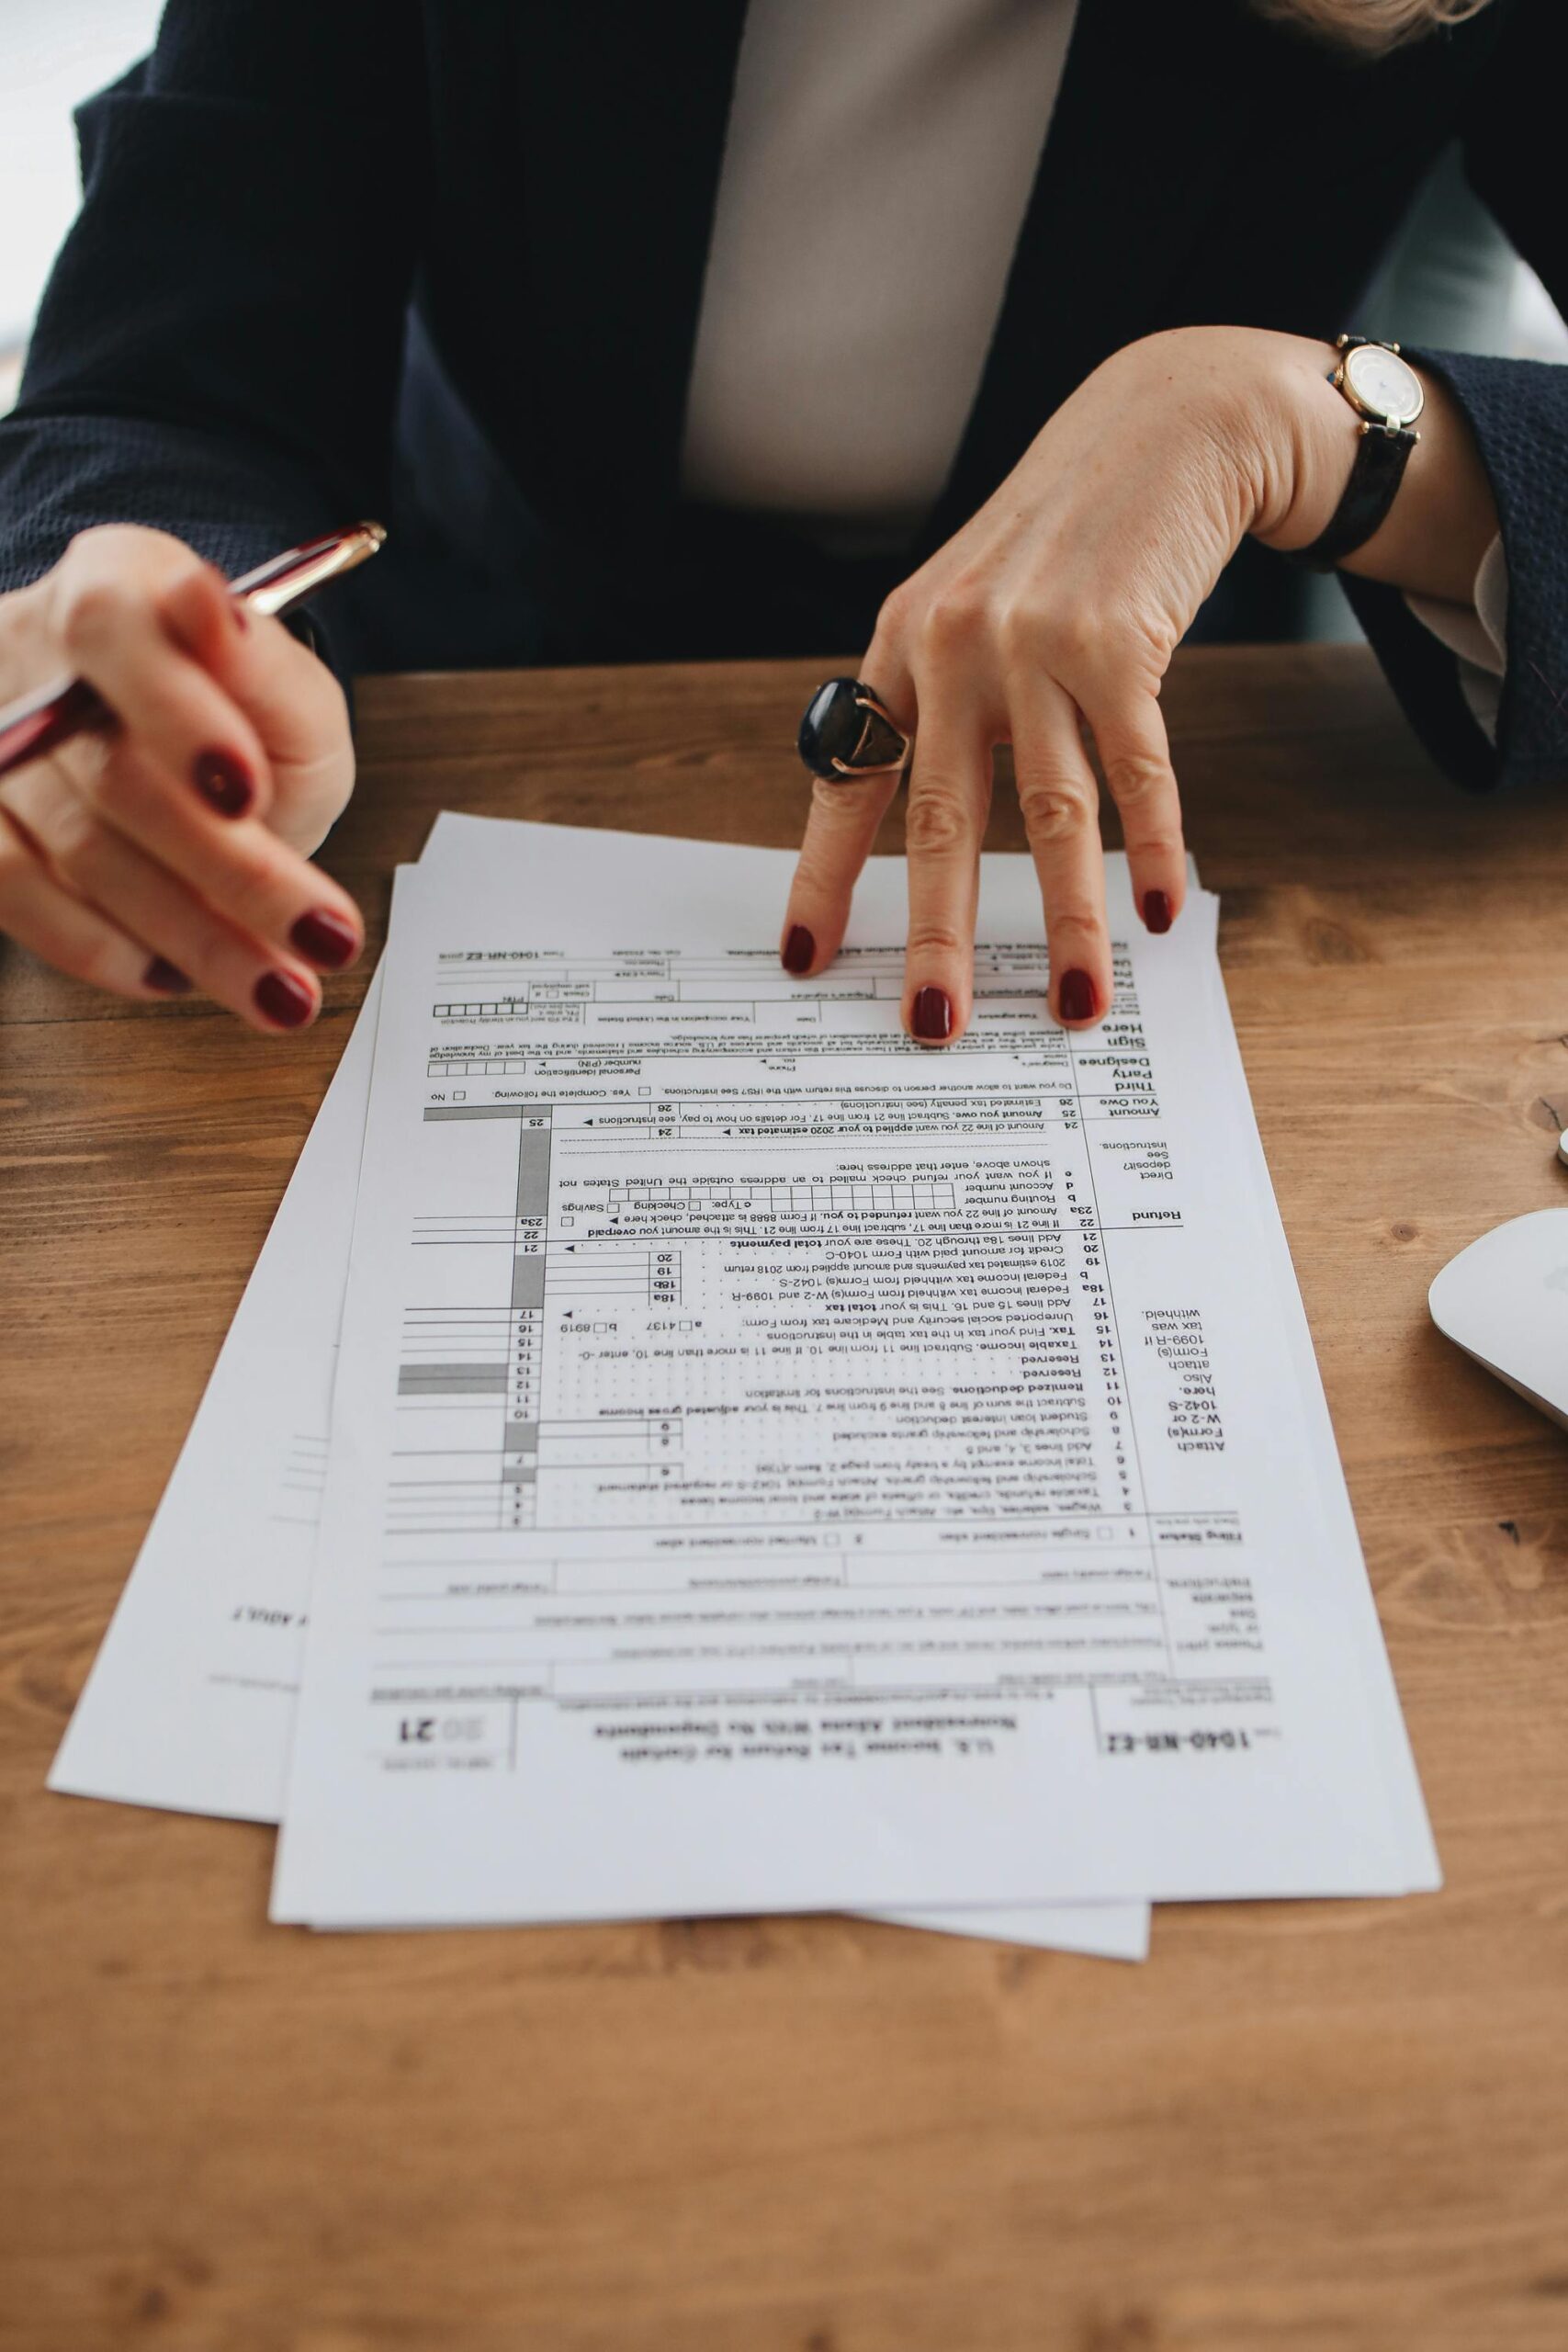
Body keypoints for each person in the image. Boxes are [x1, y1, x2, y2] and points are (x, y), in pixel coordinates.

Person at [0, 0, 1559, 1041]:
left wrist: (1302, 423)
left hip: (1150, 753)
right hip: (456, 685)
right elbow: (167, 386)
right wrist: (162, 630)